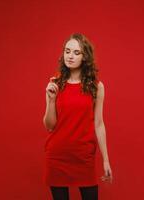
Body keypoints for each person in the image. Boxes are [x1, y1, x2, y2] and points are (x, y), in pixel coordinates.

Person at [43, 33, 113, 200]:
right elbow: (49, 125)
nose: (70, 56)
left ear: (85, 57)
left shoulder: (96, 86)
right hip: (58, 155)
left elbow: (99, 124)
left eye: (76, 52)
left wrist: (105, 160)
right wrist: (51, 101)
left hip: (83, 156)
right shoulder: (55, 83)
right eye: (67, 51)